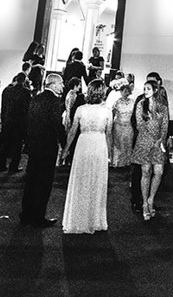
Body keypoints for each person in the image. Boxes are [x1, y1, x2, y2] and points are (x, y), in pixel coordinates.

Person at [62, 80, 113, 234]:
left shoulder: (80, 109)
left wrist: (65, 150)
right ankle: (95, 220)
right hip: (99, 145)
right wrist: (110, 153)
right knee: (97, 181)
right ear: (102, 93)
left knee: (81, 180)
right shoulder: (107, 111)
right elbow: (109, 134)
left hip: (83, 144)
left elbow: (72, 132)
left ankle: (78, 219)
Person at [21, 73, 66, 228]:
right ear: (53, 84)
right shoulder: (54, 101)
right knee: (44, 182)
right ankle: (38, 216)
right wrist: (64, 143)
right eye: (61, 83)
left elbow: (28, 121)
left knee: (31, 180)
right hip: (47, 146)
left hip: (34, 145)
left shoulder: (36, 98)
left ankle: (26, 213)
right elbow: (56, 124)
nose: (63, 86)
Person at [132, 81, 169, 221]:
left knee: (158, 172)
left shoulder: (162, 107)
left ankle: (151, 199)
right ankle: (144, 205)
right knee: (146, 172)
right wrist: (151, 140)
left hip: (158, 144)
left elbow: (165, 126)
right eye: (144, 88)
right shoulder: (141, 104)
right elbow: (139, 125)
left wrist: (160, 140)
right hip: (144, 142)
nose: (145, 91)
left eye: (148, 89)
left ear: (155, 90)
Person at [0, 72, 31, 173]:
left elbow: (3, 107)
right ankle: (13, 167)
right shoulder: (26, 92)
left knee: (5, 144)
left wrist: (3, 119)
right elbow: (27, 110)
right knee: (17, 145)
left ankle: (0, 165)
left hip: (7, 120)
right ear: (24, 81)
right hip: (19, 122)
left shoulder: (7, 90)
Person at [110, 83, 135, 167]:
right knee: (119, 143)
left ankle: (127, 162)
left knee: (128, 143)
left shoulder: (132, 102)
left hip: (128, 125)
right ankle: (118, 163)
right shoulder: (117, 102)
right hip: (119, 125)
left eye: (128, 91)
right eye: (124, 91)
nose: (126, 93)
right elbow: (113, 114)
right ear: (120, 92)